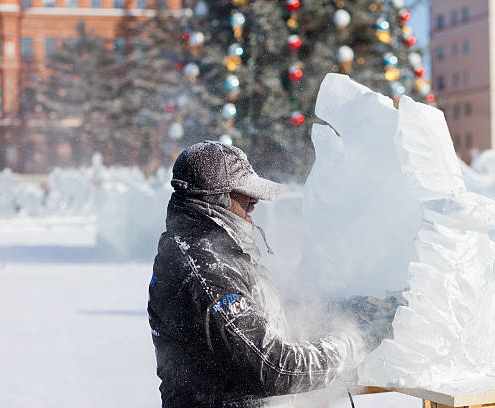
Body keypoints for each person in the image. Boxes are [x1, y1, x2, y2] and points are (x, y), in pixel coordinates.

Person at [148, 141, 401, 407]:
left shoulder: (221, 253)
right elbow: (276, 368)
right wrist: (358, 339)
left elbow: (266, 319)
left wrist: (341, 313)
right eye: (243, 192)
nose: (254, 200)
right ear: (214, 198)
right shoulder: (207, 271)